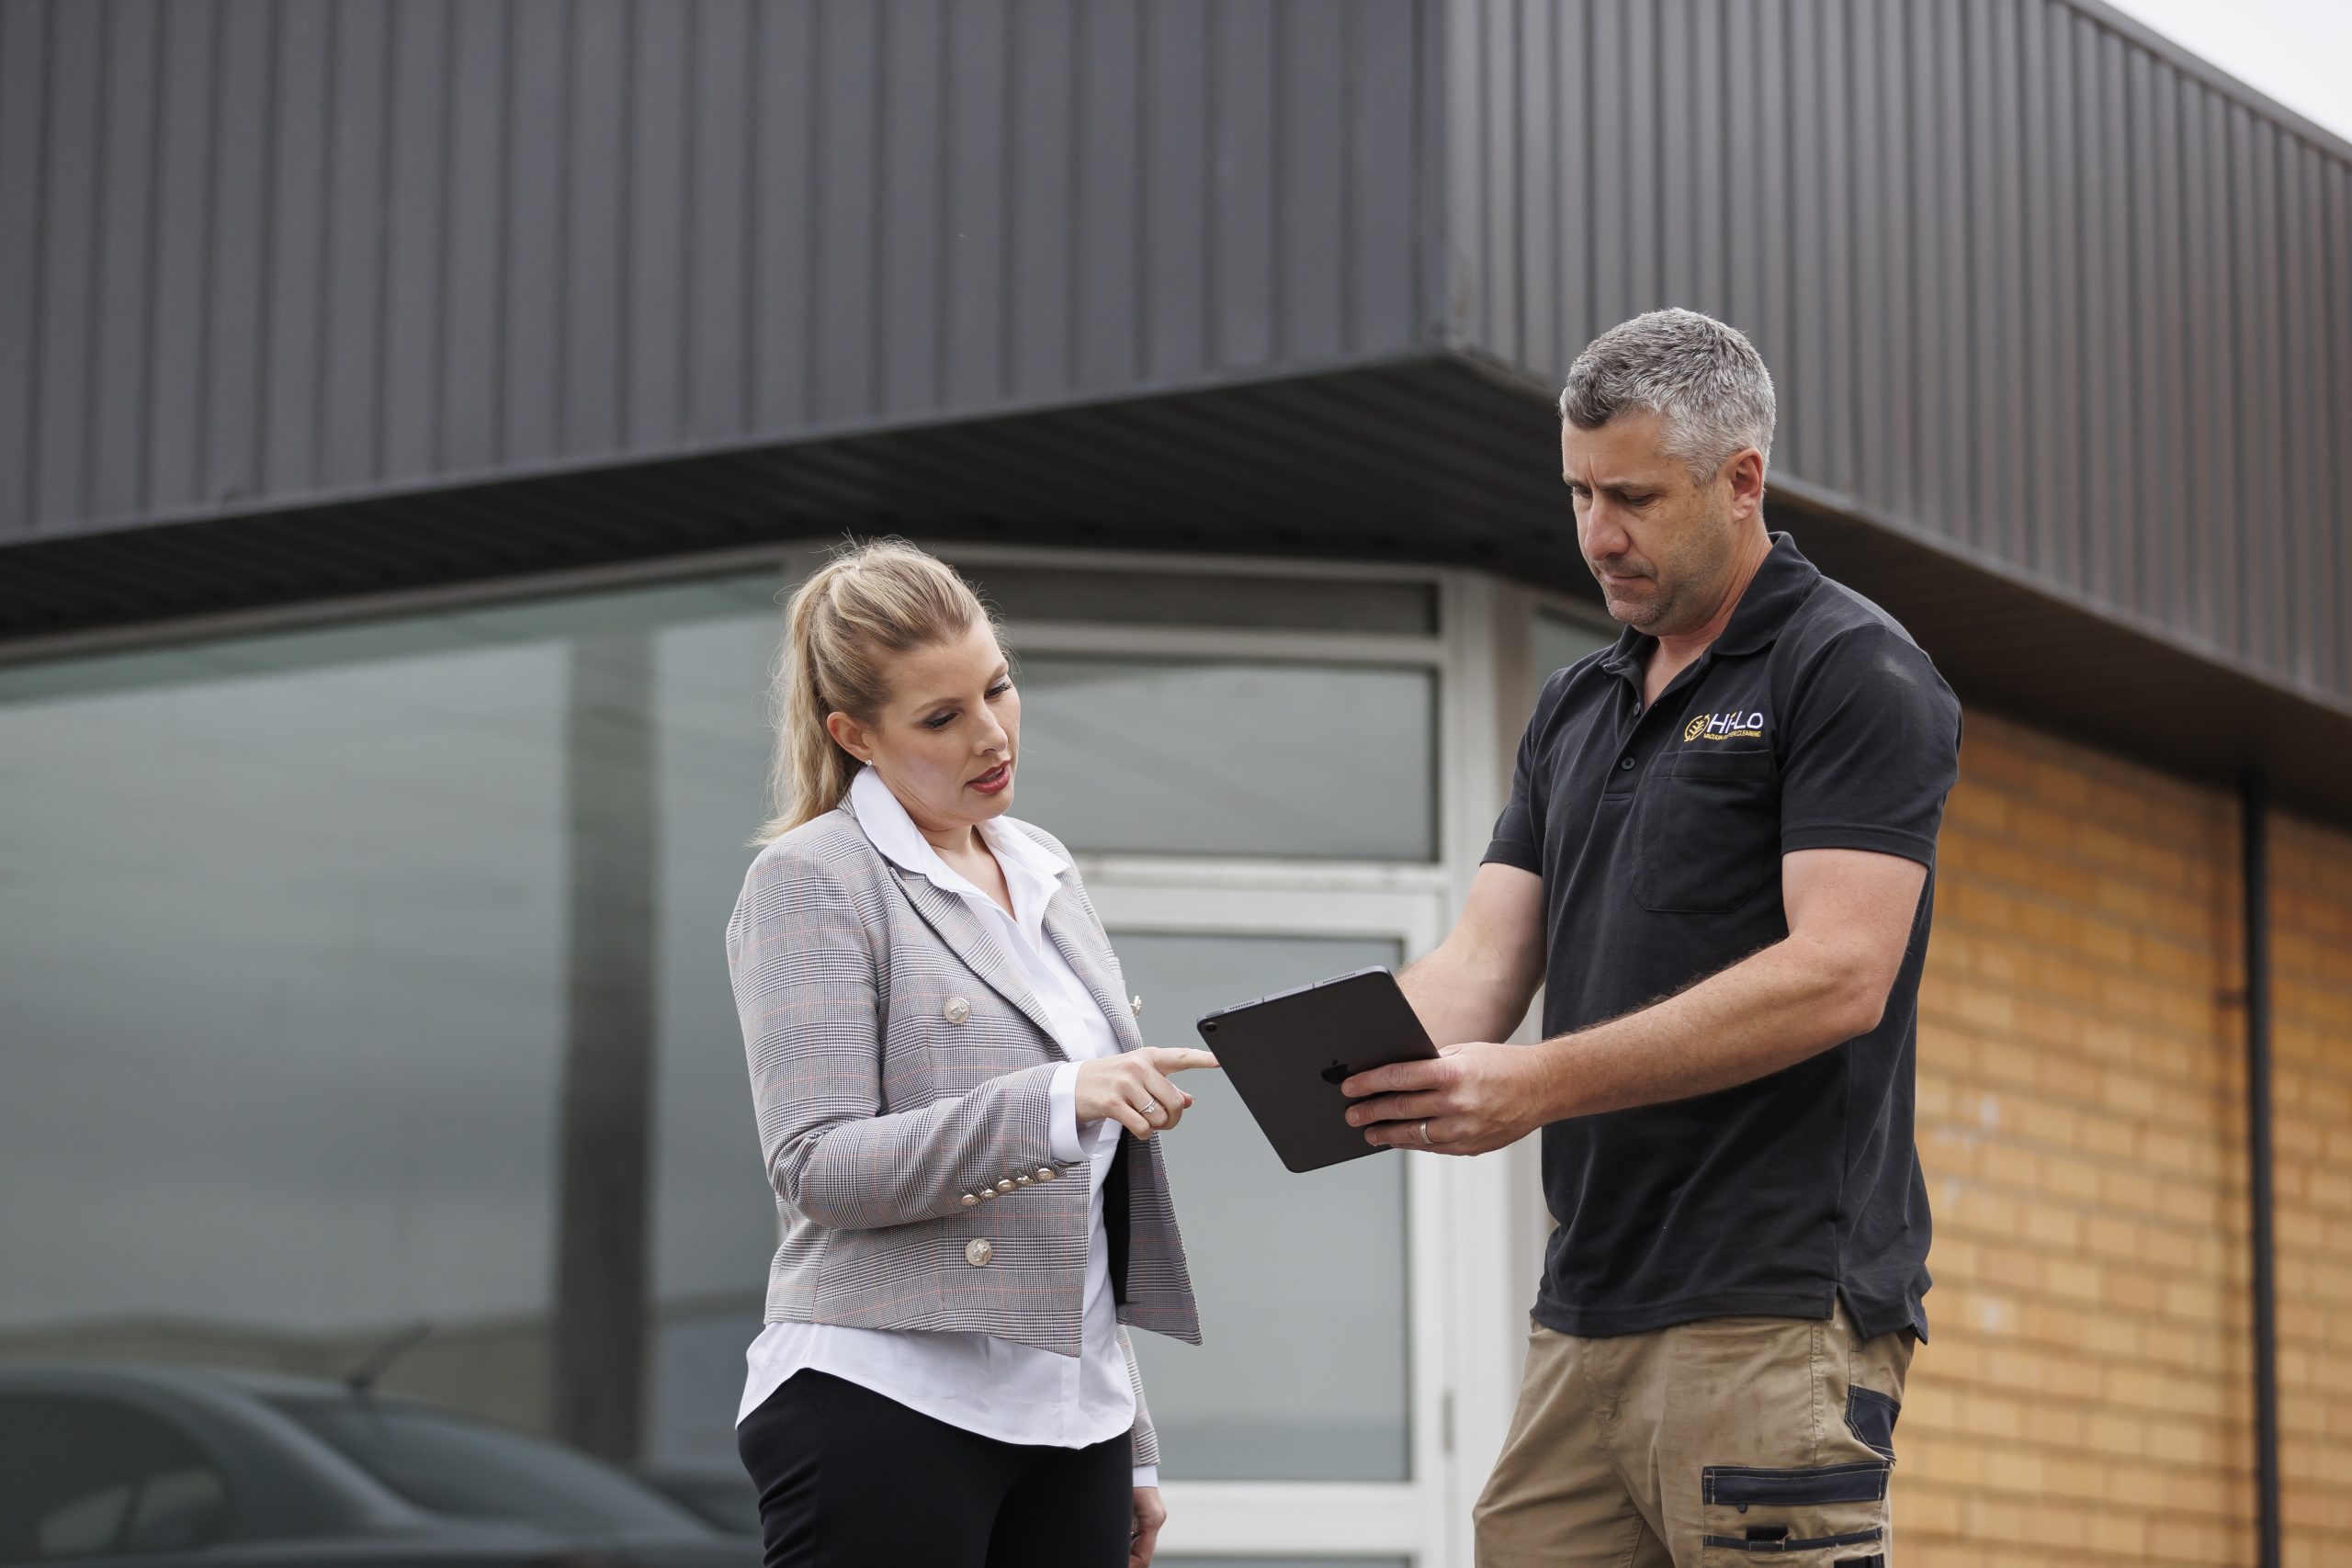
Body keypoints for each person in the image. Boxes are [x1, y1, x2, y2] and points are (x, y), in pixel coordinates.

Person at [1342, 310, 1962, 1567]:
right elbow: (1476, 973)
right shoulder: (1579, 700)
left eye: (1632, 495)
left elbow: (1839, 973)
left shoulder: (1852, 670)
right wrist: (1272, 1072)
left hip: (1774, 1307)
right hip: (1583, 1313)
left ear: (1743, 481)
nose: (1596, 534)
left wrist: (1537, 1080)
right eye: (1577, 492)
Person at [725, 539, 1216, 1568]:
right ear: (854, 734)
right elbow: (816, 1165)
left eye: (998, 687)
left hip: (1070, 1420)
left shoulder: (1041, 867)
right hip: (883, 1399)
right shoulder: (814, 879)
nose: (991, 734)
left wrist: (1131, 1437)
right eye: (941, 718)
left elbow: (1082, 1212)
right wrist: (1052, 1098)